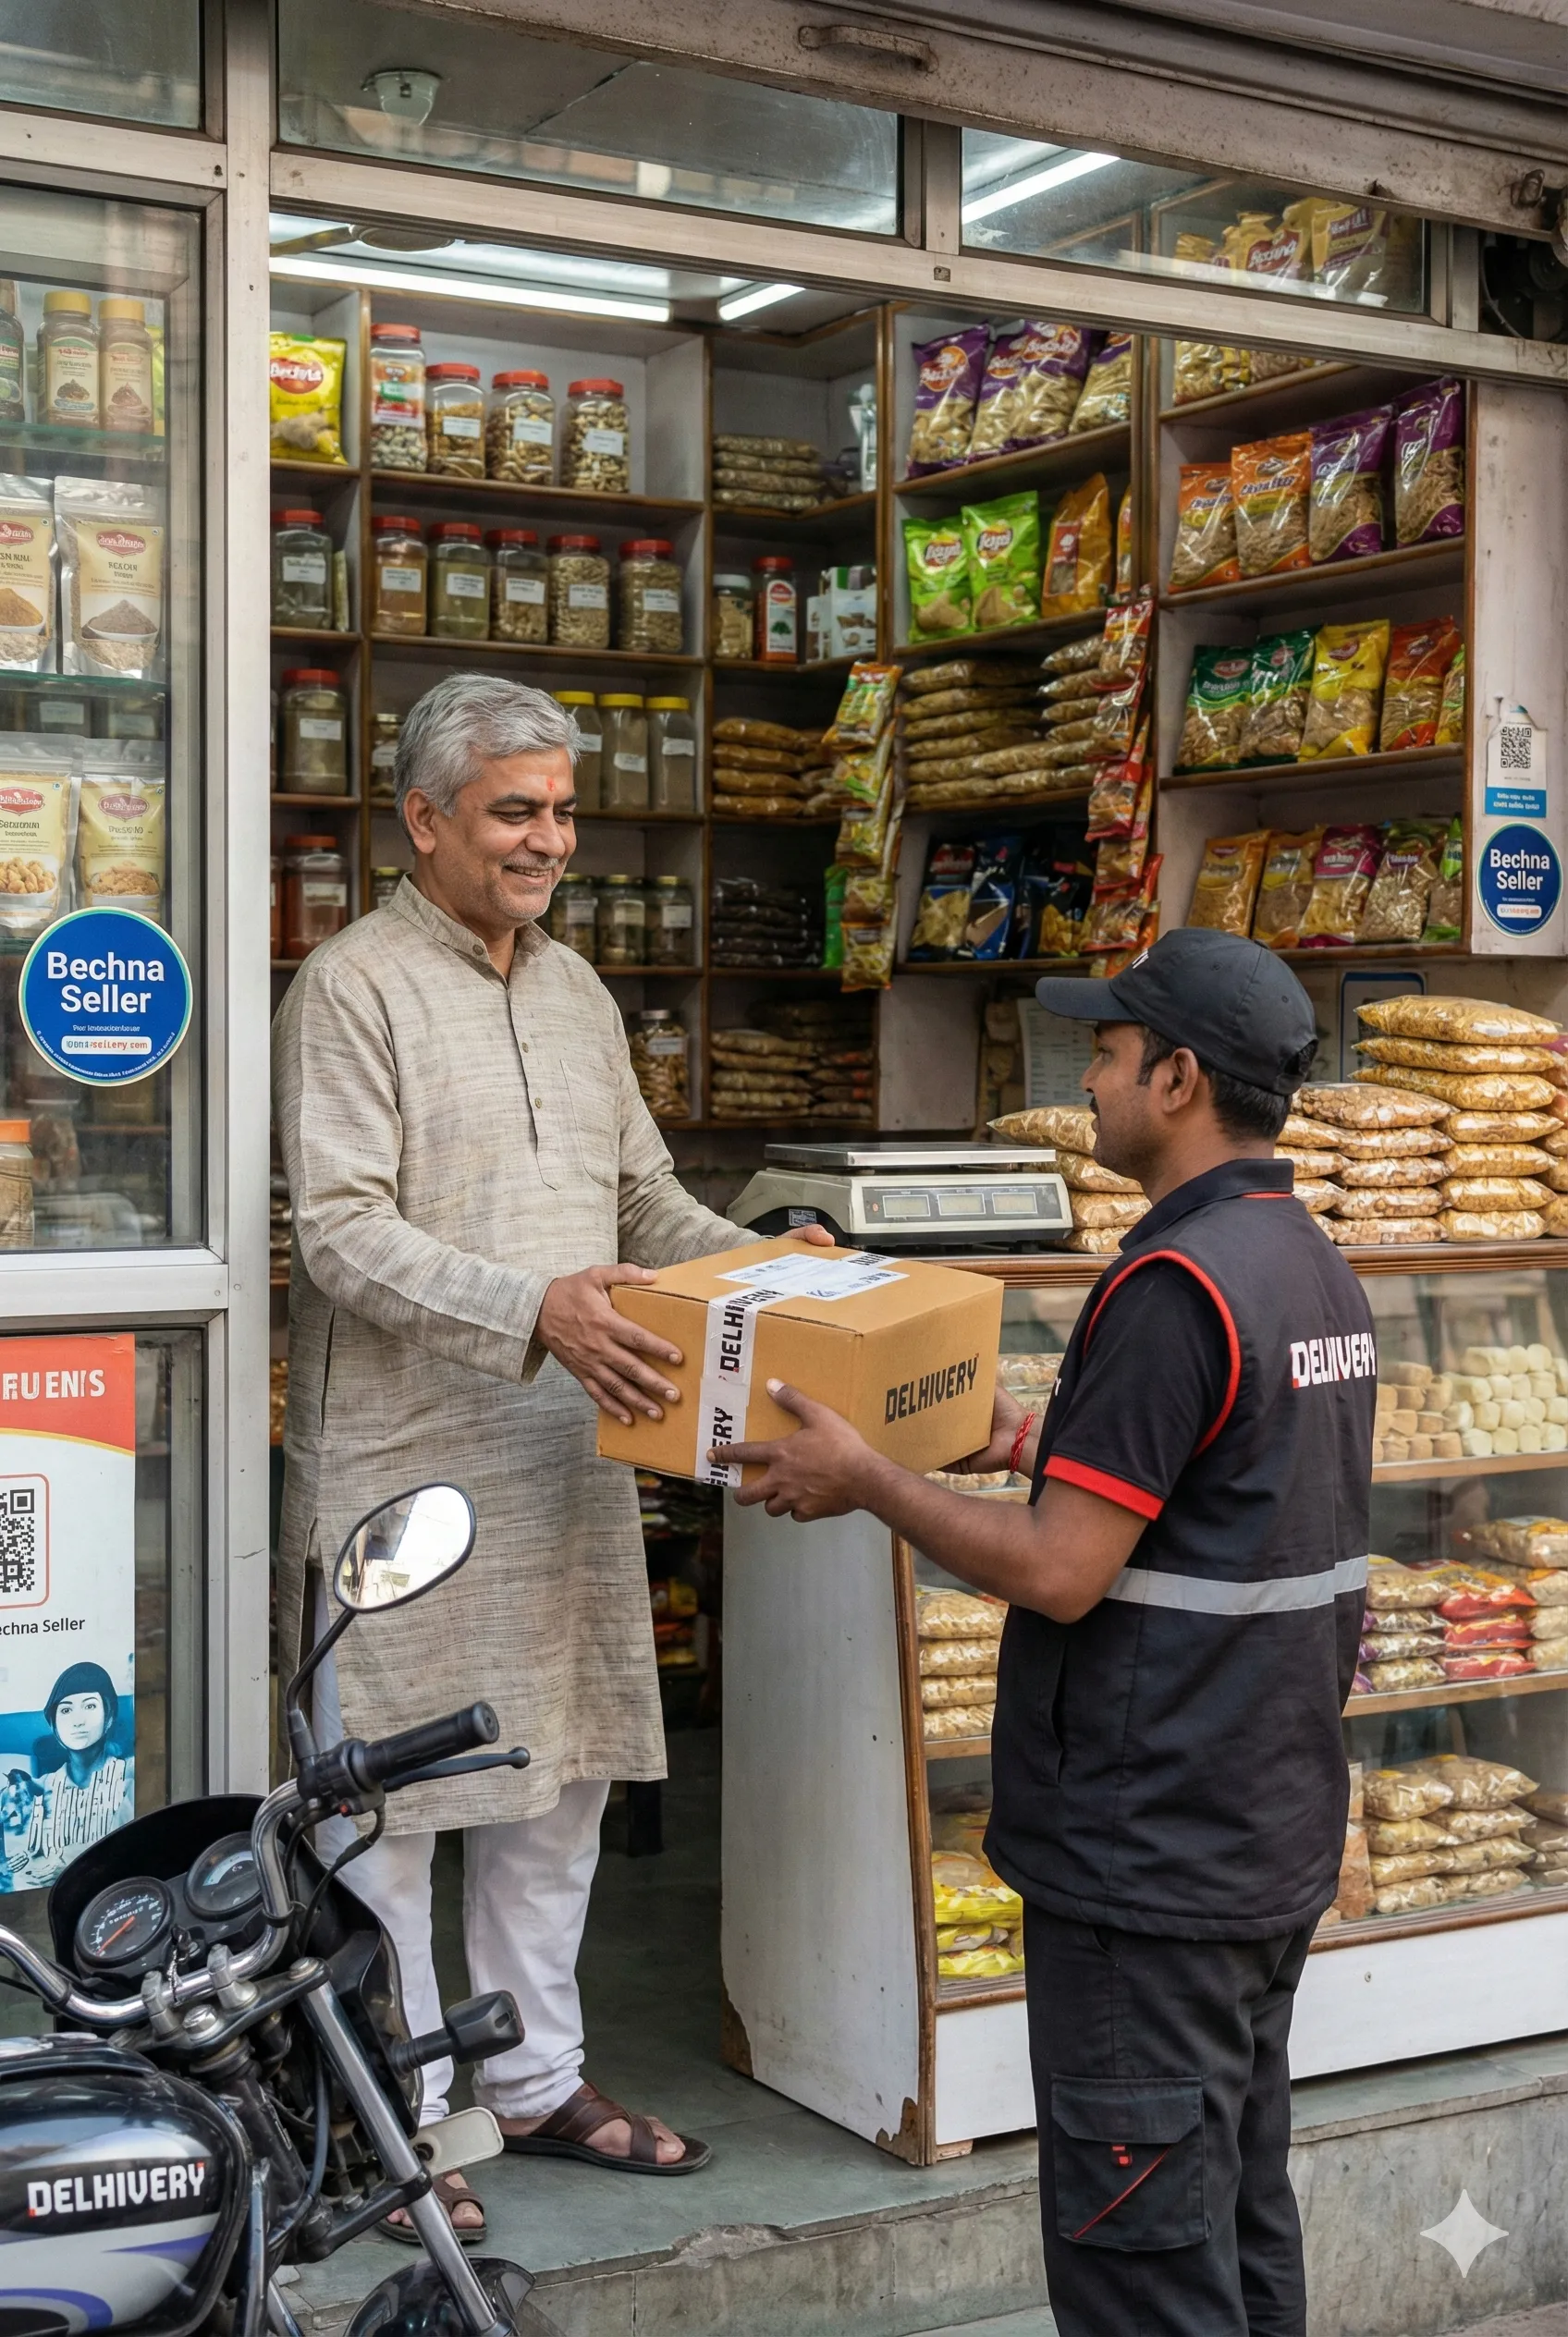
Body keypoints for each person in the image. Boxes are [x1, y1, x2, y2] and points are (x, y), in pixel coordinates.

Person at [712, 929, 1373, 2337]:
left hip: (1152, 1862)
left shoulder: (1174, 1288)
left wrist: (870, 1483)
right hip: (1264, 1834)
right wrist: (1037, 1441)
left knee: (1146, 2266)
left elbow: (1066, 1574)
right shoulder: (1304, 1260)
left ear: (1182, 1079)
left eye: (1114, 1055)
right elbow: (1215, 1498)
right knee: (1238, 2217)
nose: (1089, 1082)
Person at [274, 674, 828, 2234]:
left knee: (555, 1782)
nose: (549, 839)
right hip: (400, 1466)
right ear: (425, 820)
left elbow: (640, 1201)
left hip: (567, 1449)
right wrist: (534, 1306)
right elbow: (338, 1233)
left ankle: (533, 2082)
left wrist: (774, 1261)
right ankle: (392, 2122)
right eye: (516, 809)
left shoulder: (577, 992)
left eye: (563, 810)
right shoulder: (353, 986)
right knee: (384, 1807)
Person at [20, 1661, 135, 1883]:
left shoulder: (130, 1778)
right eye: (65, 1710)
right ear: (54, 1725)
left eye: (90, 1706)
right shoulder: (38, 1791)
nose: (78, 1721)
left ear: (109, 1715)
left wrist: (68, 1869)